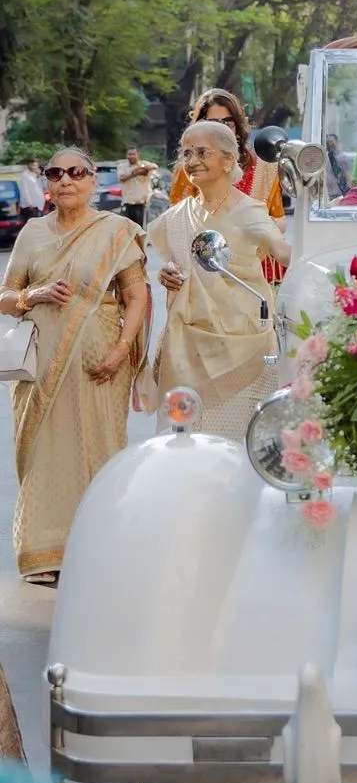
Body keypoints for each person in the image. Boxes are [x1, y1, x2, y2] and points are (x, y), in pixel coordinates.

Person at [0, 147, 149, 583]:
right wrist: (34, 295)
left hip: (101, 365)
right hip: (40, 366)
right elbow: (5, 297)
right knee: (43, 453)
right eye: (55, 173)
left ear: (93, 179)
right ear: (47, 182)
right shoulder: (32, 233)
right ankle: (43, 554)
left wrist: (122, 348)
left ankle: (98, 546)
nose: (65, 180)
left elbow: (136, 296)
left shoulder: (116, 230)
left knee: (98, 447)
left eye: (76, 172)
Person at [148, 121, 291, 440]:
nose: (192, 161)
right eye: (186, 153)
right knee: (185, 441)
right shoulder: (177, 216)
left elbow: (283, 252)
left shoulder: (249, 211)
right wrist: (166, 273)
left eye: (202, 152)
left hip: (243, 346)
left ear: (228, 160)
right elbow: (178, 262)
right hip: (187, 347)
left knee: (236, 442)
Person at [168, 88, 287, 283]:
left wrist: (261, 228)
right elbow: (176, 225)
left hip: (258, 273)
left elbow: (280, 220)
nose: (221, 130)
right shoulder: (191, 169)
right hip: (207, 272)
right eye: (213, 123)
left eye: (227, 123)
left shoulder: (264, 168)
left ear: (237, 127)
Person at [117, 146, 155, 227]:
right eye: (129, 154)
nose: (131, 156)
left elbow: (154, 166)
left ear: (138, 155)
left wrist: (141, 168)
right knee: (128, 228)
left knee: (140, 229)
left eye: (133, 154)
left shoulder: (143, 164)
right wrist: (135, 173)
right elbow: (122, 178)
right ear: (126, 155)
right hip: (128, 203)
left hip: (141, 204)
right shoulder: (122, 166)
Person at [16, 158, 45, 223]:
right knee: (32, 224)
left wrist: (41, 176)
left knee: (39, 224)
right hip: (30, 206)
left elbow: (43, 187)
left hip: (39, 204)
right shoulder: (25, 175)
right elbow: (24, 190)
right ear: (28, 165)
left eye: (36, 165)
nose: (35, 167)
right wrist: (29, 203)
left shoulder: (36, 175)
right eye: (33, 165)